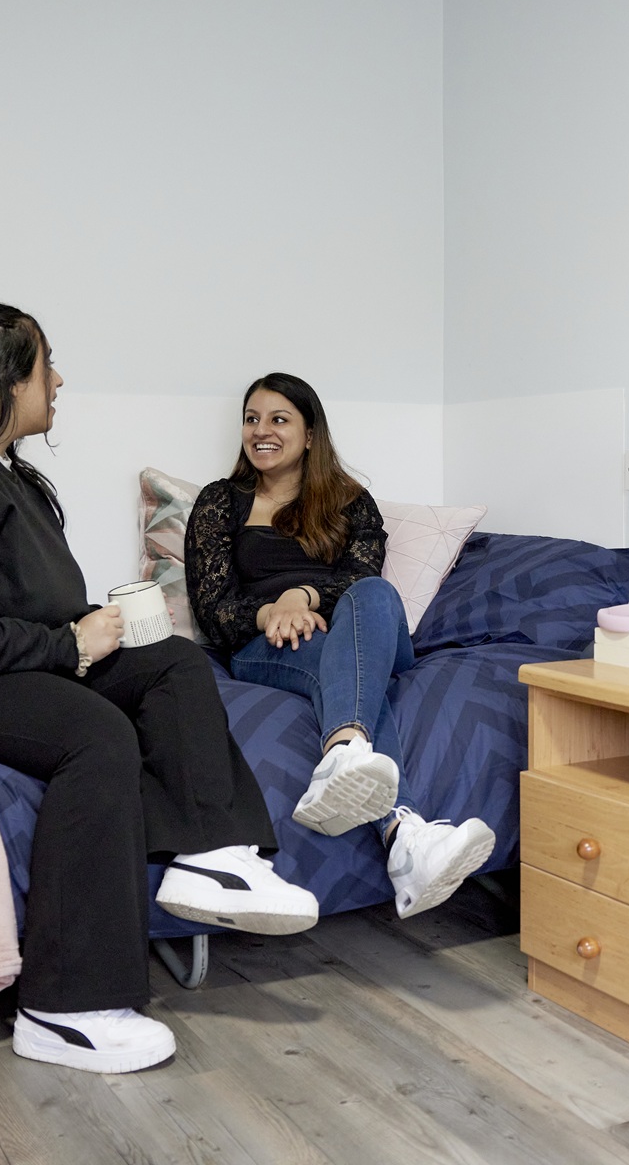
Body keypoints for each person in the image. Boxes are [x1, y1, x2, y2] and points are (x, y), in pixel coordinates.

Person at [0, 305, 317, 1077]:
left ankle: (211, 854)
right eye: (44, 364)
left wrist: (88, 624)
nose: (57, 379)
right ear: (2, 379)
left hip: (2, 655)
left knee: (175, 663)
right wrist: (68, 645)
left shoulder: (4, 471)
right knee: (96, 735)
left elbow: (10, 598)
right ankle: (66, 1008)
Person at [184, 373, 496, 920]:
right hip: (268, 645)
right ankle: (404, 836)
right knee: (353, 685)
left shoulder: (352, 502)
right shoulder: (219, 502)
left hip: (362, 632)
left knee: (374, 594)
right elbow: (212, 606)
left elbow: (360, 580)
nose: (261, 431)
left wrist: (301, 594)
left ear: (309, 434)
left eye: (279, 420)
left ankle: (345, 758)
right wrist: (272, 613)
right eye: (252, 419)